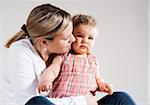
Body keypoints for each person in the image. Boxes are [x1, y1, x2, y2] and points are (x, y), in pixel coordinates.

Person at [4, 3, 136, 105]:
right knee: (37, 102)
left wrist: (101, 86)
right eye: (67, 38)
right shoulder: (20, 51)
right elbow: (29, 102)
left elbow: (95, 78)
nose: (73, 40)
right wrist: (83, 100)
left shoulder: (60, 52)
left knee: (121, 98)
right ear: (44, 42)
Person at [37, 14, 136, 105]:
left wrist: (103, 85)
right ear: (71, 36)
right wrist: (46, 80)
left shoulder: (93, 61)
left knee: (122, 97)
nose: (85, 40)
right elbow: (52, 70)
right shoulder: (63, 57)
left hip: (89, 103)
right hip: (67, 102)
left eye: (90, 38)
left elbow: (98, 79)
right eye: (80, 36)